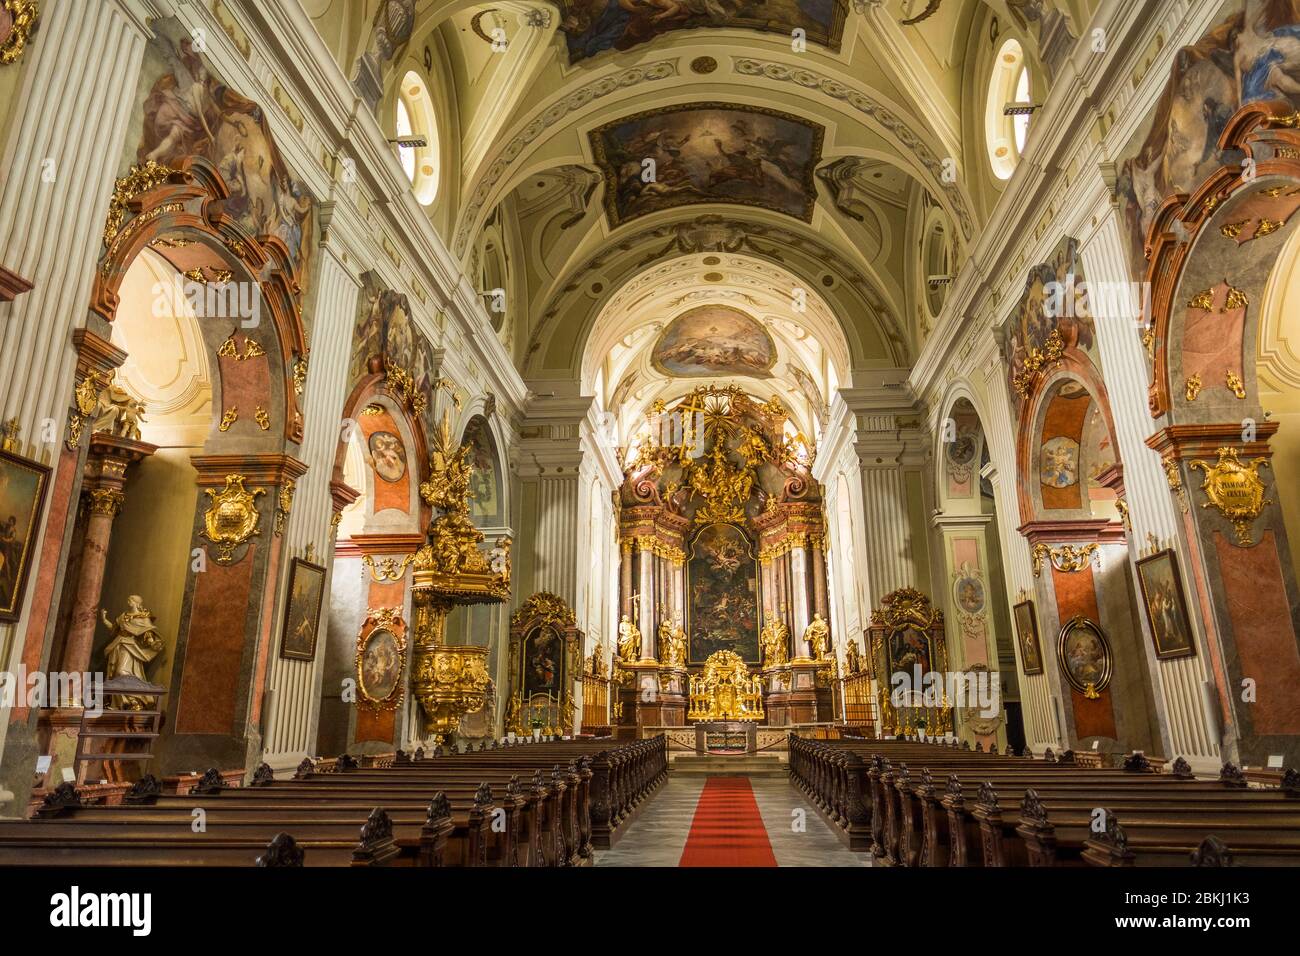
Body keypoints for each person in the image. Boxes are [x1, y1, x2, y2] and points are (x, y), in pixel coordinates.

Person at [101, 596, 164, 710]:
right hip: (117, 645)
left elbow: (147, 632)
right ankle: (121, 704)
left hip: (129, 646)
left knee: (122, 672)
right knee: (114, 674)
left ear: (136, 603)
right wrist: (104, 619)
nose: (128, 601)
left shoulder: (142, 618)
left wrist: (152, 643)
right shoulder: (123, 616)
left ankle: (135, 700)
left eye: (130, 600)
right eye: (128, 599)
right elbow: (114, 629)